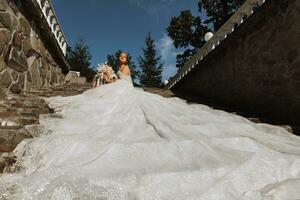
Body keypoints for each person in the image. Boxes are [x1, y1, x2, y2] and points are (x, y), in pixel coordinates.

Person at [1, 52, 300, 200]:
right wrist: (108, 77)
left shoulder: (125, 70)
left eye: (121, 58)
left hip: (126, 93)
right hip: (121, 89)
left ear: (125, 60)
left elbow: (126, 83)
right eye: (119, 58)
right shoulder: (119, 69)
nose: (120, 59)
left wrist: (112, 78)